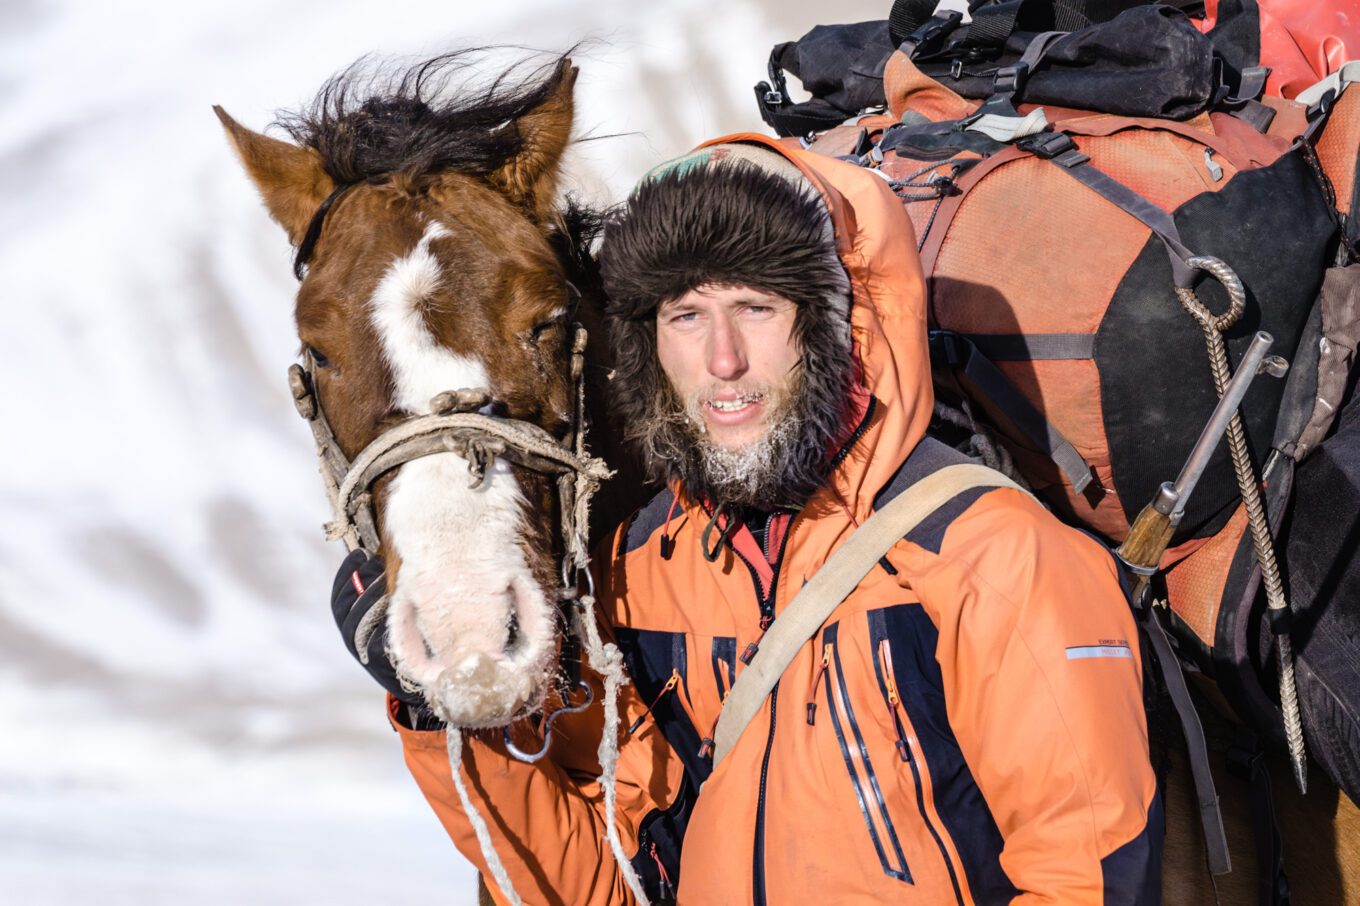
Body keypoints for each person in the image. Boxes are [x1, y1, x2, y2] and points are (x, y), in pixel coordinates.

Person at [331, 137, 1161, 904]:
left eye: (756, 307)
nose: (721, 360)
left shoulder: (996, 558)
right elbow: (601, 884)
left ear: (839, 323)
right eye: (685, 317)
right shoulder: (646, 568)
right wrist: (448, 711)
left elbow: (1083, 877)